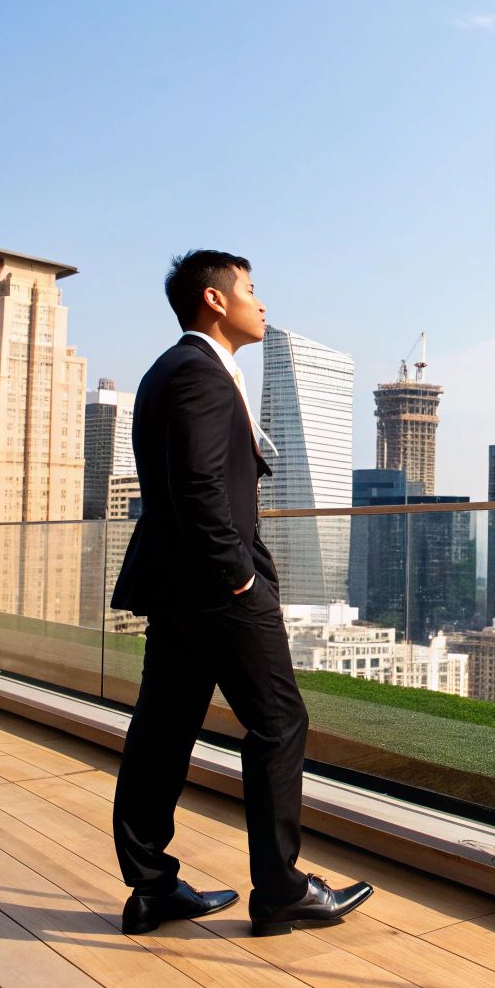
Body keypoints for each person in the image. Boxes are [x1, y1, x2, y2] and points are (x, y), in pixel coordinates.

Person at [110, 249, 373, 936]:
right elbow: (198, 486)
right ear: (215, 300)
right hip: (218, 587)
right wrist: (240, 574)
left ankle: (152, 888)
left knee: (163, 730)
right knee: (279, 724)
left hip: (177, 586)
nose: (263, 302)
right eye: (252, 290)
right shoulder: (198, 372)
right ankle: (282, 889)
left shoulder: (170, 369)